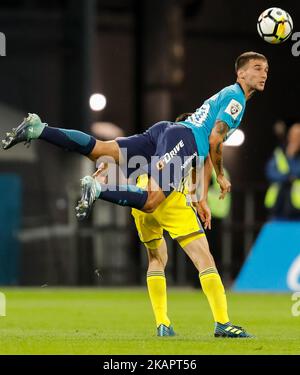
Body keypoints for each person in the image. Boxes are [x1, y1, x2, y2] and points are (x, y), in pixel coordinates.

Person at [2, 51, 269, 337]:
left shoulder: (225, 96)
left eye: (266, 69)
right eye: (257, 68)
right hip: (182, 140)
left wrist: (201, 196)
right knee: (156, 202)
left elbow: (204, 151)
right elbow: (213, 140)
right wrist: (220, 174)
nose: (263, 73)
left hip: (165, 133)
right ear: (241, 74)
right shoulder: (237, 99)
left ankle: (40, 129)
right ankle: (99, 188)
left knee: (101, 149)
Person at [265, 123, 300, 220]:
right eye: (295, 135)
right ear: (289, 136)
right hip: (278, 206)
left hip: (297, 209)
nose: (297, 139)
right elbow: (270, 173)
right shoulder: (279, 153)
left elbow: (297, 171)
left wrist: (292, 157)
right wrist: (288, 177)